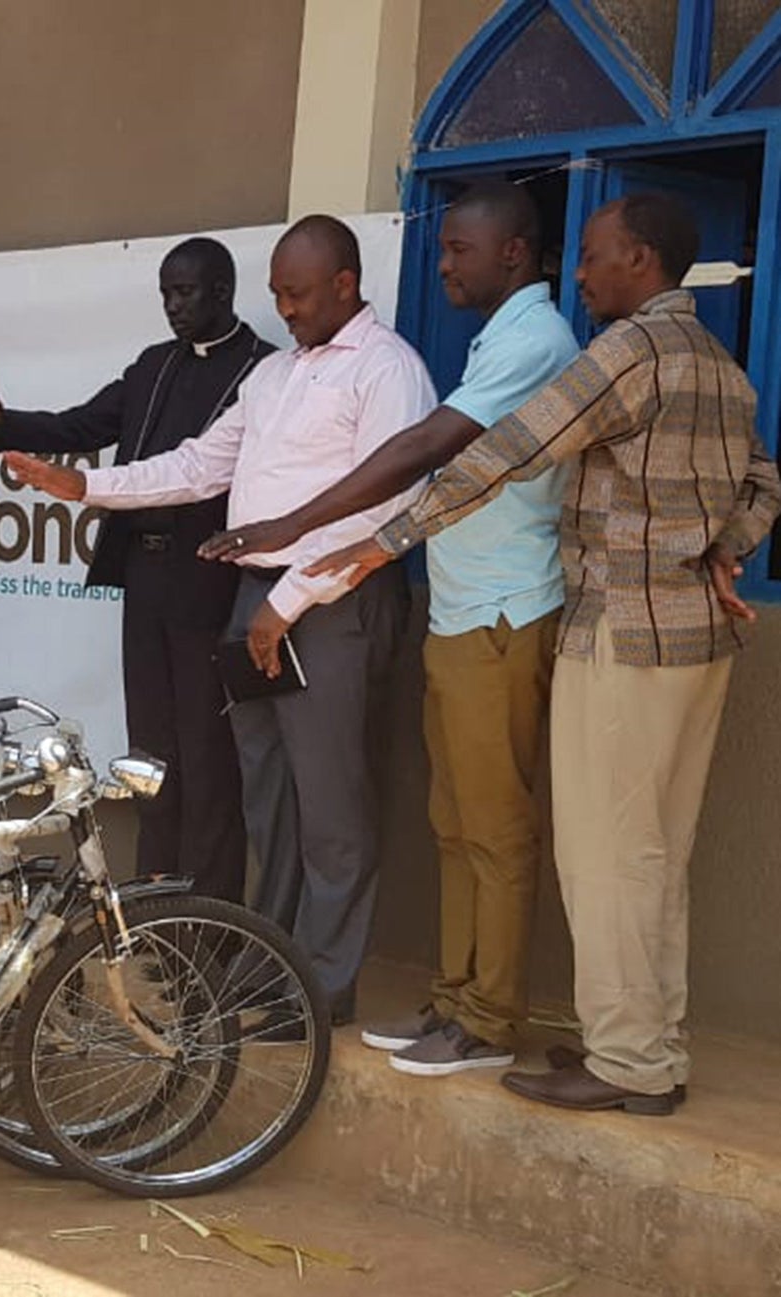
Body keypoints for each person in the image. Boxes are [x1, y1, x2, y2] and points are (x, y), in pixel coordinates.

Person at [310, 194, 781, 1114]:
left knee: (609, 857)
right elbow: (764, 479)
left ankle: (629, 1066)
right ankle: (646, 1045)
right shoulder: (719, 363)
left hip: (627, 637)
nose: (582, 273)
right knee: (654, 854)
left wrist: (388, 539)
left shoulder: (631, 351)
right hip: (698, 641)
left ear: (642, 262)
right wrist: (730, 546)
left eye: (598, 256)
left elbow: (513, 447)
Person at [4, 216, 437, 1024]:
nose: (287, 309)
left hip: (332, 603)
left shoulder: (387, 370)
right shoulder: (273, 377)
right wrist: (87, 489)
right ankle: (270, 964)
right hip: (255, 602)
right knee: (268, 795)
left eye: (299, 293)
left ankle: (322, 987)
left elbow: (389, 503)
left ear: (346, 284)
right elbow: (202, 462)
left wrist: (283, 602)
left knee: (332, 803)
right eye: (277, 293)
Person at [203, 184, 581, 1076]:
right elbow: (209, 459)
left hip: (481, 603)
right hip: (449, 603)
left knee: (447, 820)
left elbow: (416, 460)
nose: (443, 264)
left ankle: (465, 1011)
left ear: (517, 254)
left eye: (458, 250)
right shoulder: (491, 340)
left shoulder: (515, 344)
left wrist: (290, 548)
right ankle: (443, 999)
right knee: (435, 819)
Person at [0, 238, 272, 901]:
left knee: (208, 759)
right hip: (145, 579)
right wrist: (3, 422)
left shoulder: (263, 370)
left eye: (185, 292)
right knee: (151, 754)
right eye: (165, 293)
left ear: (222, 292)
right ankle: (153, 902)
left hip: (209, 581)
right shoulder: (153, 365)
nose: (173, 306)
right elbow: (82, 425)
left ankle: (207, 917)